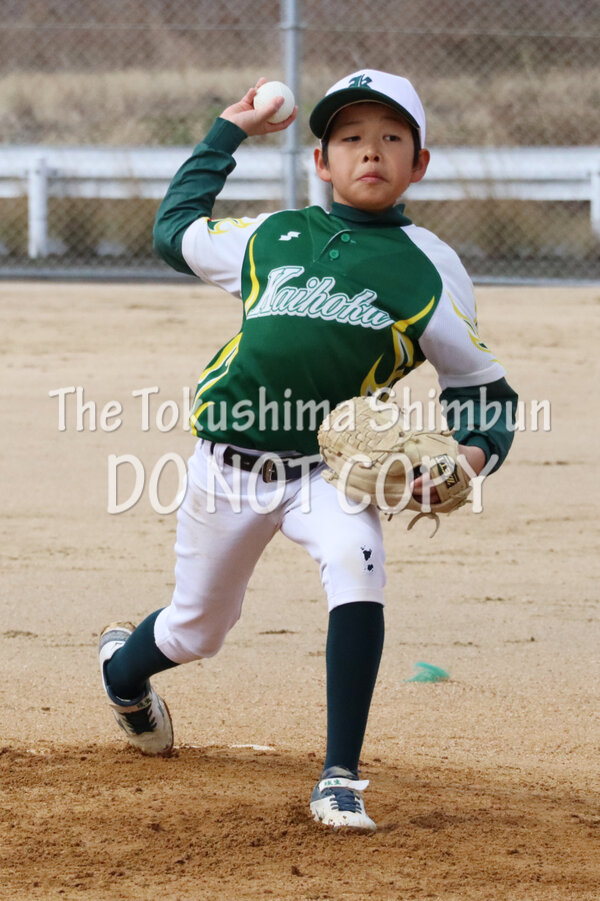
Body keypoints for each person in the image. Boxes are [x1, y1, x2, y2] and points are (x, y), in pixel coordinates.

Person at [98, 69, 518, 832]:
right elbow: (174, 229)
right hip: (227, 463)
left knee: (359, 568)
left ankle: (340, 776)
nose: (371, 152)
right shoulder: (272, 235)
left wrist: (470, 456)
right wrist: (228, 131)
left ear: (419, 164)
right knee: (196, 629)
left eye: (391, 138)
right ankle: (123, 674)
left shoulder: (429, 266)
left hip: (334, 471)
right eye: (350, 138)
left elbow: (481, 387)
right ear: (321, 161)